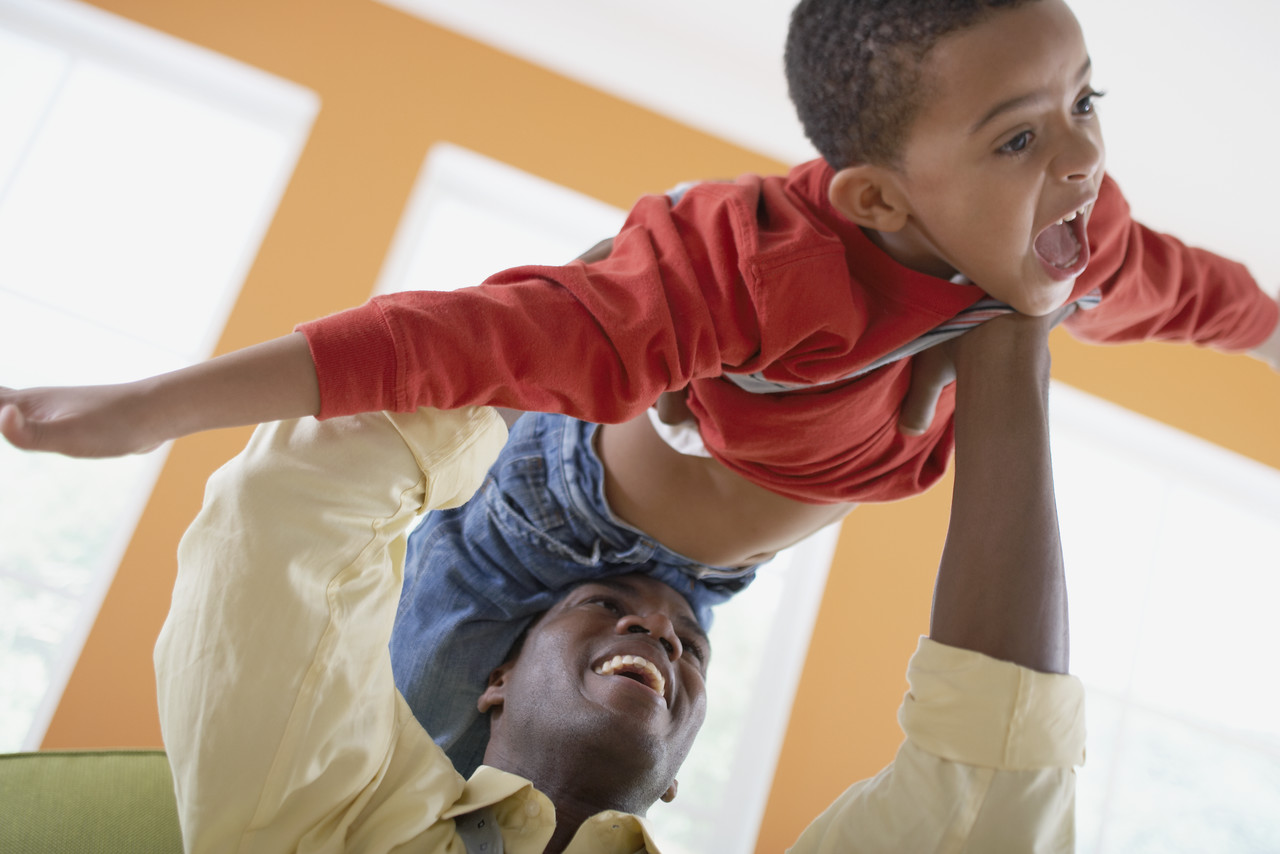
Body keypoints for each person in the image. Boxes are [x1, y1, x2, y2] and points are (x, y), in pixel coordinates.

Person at [1, 0, 1277, 772]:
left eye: (1083, 98)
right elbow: (468, 336)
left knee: (554, 813)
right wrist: (148, 405)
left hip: (691, 592)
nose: (1082, 156)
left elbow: (1202, 295)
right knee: (392, 772)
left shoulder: (1083, 245)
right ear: (877, 198)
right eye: (1019, 134)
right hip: (538, 531)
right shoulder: (756, 269)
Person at [154, 308, 1083, 853]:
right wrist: (1009, 356)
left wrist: (547, 329)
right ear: (678, 775)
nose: (660, 635)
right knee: (820, 442)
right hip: (694, 542)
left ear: (499, 679)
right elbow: (989, 786)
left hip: (528, 521)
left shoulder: (326, 823)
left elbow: (286, 516)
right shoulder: (687, 595)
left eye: (645, 628)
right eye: (692, 652)